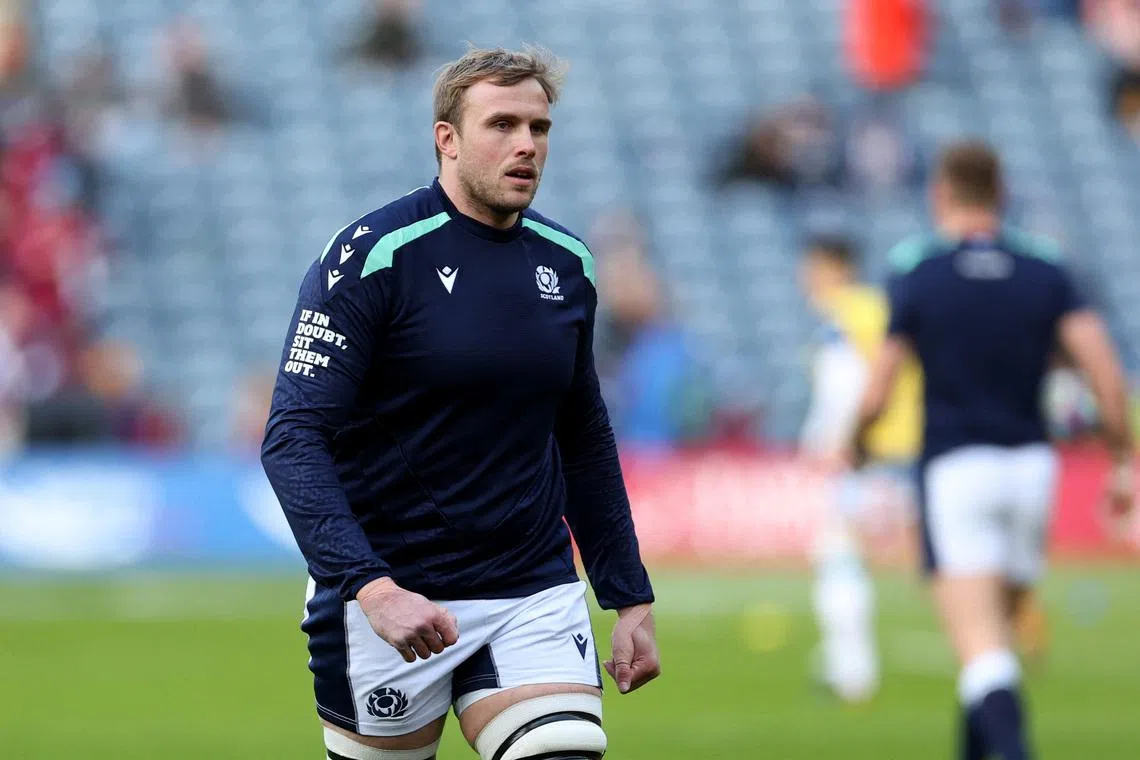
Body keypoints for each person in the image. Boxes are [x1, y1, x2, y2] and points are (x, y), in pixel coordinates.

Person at [260, 46, 659, 760]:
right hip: (393, 602)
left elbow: (582, 433)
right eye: (501, 124)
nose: (526, 145)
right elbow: (292, 436)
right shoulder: (372, 256)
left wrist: (627, 593)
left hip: (530, 587)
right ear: (446, 139)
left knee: (564, 749)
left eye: (538, 129)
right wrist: (372, 589)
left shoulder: (568, 265)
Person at [847, 140, 1134, 760]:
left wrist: (855, 445)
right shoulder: (1046, 270)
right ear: (1002, 195)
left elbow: (879, 388)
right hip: (1032, 469)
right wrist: (1120, 462)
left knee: (981, 650)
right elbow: (1107, 377)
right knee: (992, 645)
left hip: (957, 469)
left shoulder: (920, 270)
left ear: (941, 194)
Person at [797, 236, 922, 703]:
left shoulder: (841, 316)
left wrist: (830, 441)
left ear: (831, 267)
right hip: (903, 449)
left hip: (864, 453)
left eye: (811, 268)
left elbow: (844, 382)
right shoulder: (878, 307)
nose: (804, 279)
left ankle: (850, 669)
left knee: (839, 555)